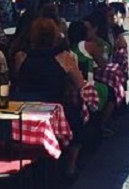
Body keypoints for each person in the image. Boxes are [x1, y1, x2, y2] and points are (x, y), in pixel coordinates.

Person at [11, 18, 86, 179]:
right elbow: (80, 84)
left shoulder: (21, 56)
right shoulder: (64, 57)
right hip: (54, 108)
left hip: (25, 110)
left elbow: (18, 78)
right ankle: (70, 166)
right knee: (77, 118)